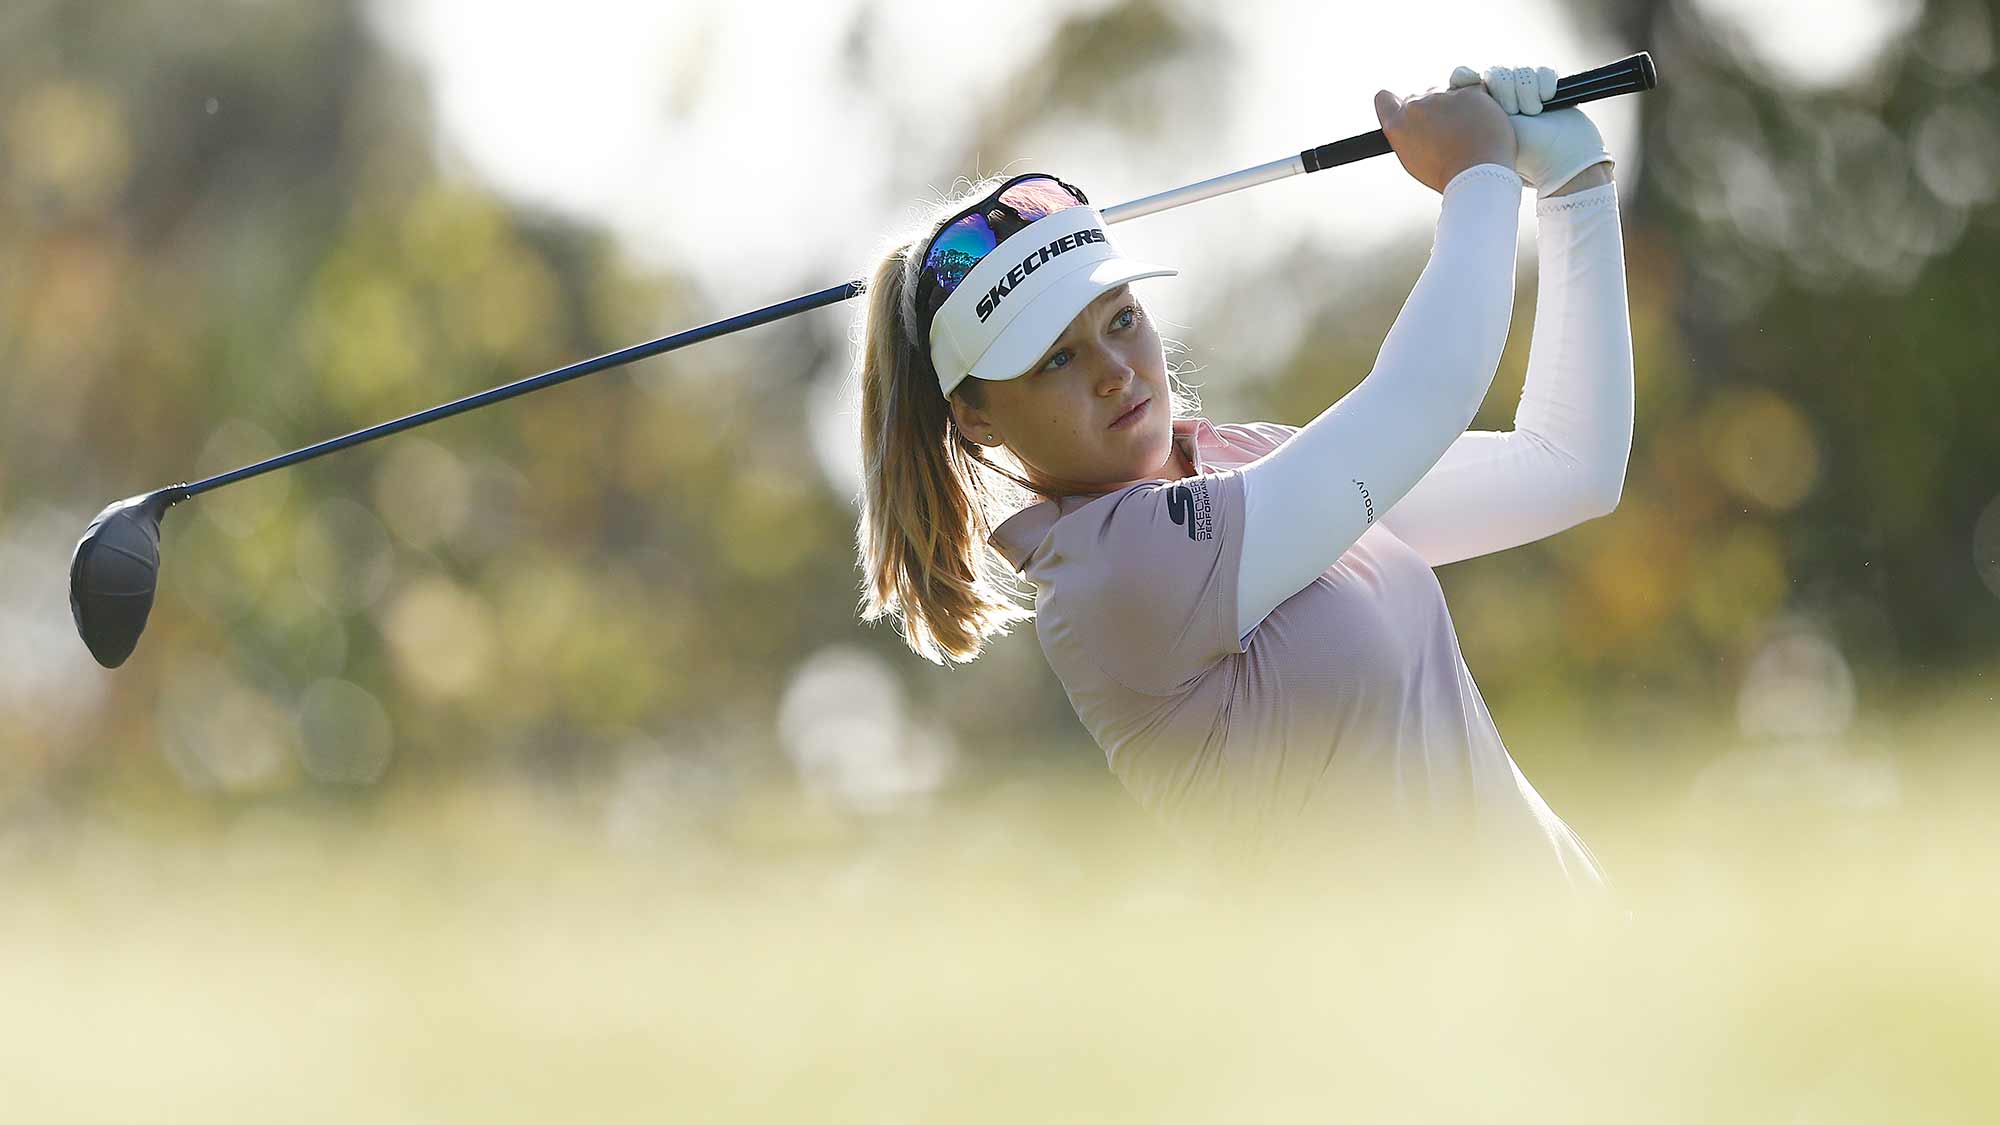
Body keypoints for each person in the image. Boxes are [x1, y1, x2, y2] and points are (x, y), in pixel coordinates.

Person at [852, 65, 1634, 912]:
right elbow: (1424, 396)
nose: (1114, 371)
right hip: (1430, 987)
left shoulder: (1239, 462)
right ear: (976, 417)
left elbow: (1567, 466)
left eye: (1121, 319)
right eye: (1057, 359)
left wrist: (1573, 183)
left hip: (1579, 949)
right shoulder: (1110, 570)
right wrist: (1479, 175)